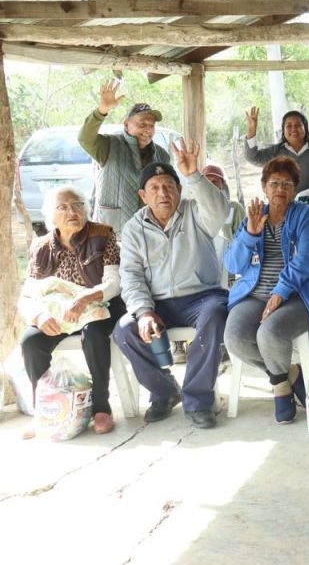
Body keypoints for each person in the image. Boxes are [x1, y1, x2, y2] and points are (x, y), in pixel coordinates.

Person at [112, 141, 230, 430]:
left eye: (170, 186)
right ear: (142, 195)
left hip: (202, 298)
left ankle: (198, 399)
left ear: (180, 190)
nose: (163, 193)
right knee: (124, 330)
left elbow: (220, 211)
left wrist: (193, 175)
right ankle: (165, 391)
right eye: (154, 188)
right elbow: (130, 275)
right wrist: (143, 311)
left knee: (217, 313)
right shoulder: (133, 229)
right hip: (157, 304)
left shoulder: (196, 212)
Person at [223, 156, 309, 424]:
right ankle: (290, 376)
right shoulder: (254, 216)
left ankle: (280, 392)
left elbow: (307, 259)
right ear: (264, 187)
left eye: (287, 183)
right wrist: (250, 233)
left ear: (295, 189)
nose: (280, 189)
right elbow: (232, 263)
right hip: (255, 294)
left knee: (269, 333)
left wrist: (280, 292)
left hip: (300, 296)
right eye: (274, 183)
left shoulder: (306, 216)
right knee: (235, 338)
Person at [17, 186, 126, 438]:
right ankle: (43, 409)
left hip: (102, 306)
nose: (72, 212)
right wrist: (40, 317)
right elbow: (28, 295)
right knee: (31, 342)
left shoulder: (103, 234)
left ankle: (101, 407)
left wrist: (87, 297)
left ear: (86, 209)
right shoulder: (41, 246)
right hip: (61, 314)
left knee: (94, 334)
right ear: (50, 216)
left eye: (77, 205)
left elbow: (113, 283)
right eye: (63, 207)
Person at [78, 79, 171, 232]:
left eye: (151, 125)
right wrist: (101, 111)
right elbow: (84, 138)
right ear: (127, 124)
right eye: (142, 124)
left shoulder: (162, 155)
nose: (148, 129)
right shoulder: (109, 145)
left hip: (150, 232)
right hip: (111, 234)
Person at [243, 106, 309, 191]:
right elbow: (252, 157)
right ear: (283, 130)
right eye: (289, 126)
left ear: (305, 128)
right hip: (281, 203)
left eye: (298, 125)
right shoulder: (275, 152)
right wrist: (251, 131)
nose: (293, 129)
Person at [201, 163, 245, 240]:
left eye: (215, 182)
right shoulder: (196, 209)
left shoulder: (234, 208)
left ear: (222, 185)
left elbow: (242, 238)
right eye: (207, 182)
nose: (211, 185)